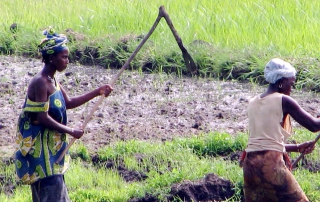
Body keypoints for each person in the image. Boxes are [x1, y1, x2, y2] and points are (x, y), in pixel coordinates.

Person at [14, 27, 113, 202]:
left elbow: (68, 103)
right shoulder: (40, 82)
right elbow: (42, 118)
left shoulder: (52, 80)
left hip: (53, 155)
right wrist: (70, 131)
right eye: (64, 57)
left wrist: (98, 92)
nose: (67, 61)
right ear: (52, 58)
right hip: (42, 157)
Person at [241, 58, 320, 202]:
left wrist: (297, 147)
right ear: (281, 82)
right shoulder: (283, 100)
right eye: (291, 84)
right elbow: (314, 126)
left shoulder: (252, 102)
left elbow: (263, 144)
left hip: (250, 167)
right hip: (270, 166)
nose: (291, 89)